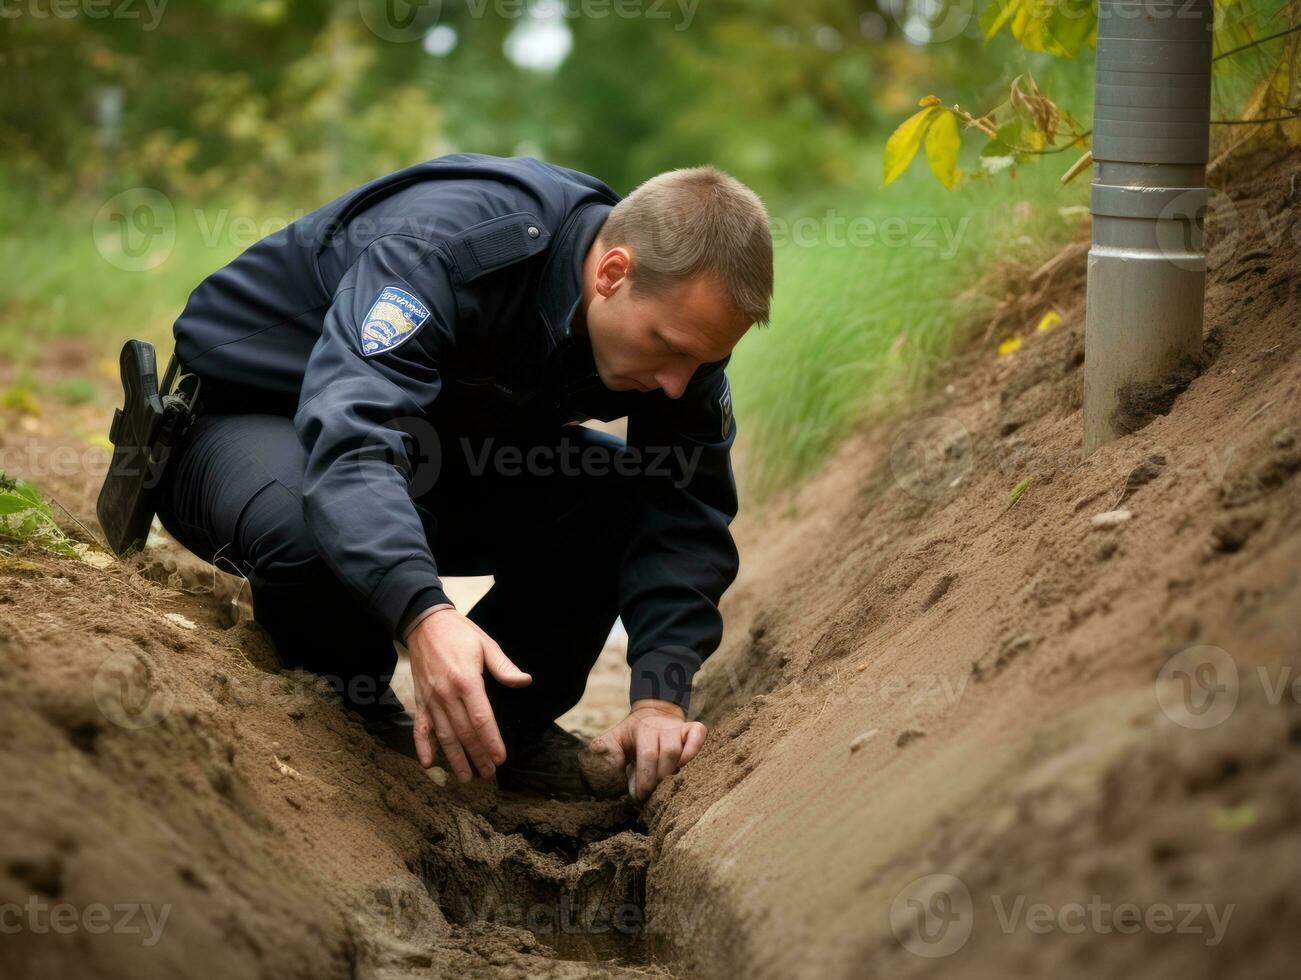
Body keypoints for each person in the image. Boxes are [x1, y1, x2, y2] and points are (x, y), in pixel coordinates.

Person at [153, 153, 773, 800]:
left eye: (703, 361)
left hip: (424, 446)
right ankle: (348, 724)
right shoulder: (451, 244)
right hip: (242, 423)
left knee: (615, 503)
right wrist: (423, 613)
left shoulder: (683, 333)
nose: (678, 384)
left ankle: (497, 736)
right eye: (667, 349)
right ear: (613, 273)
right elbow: (354, 441)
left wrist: (659, 699)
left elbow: (683, 509)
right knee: (312, 523)